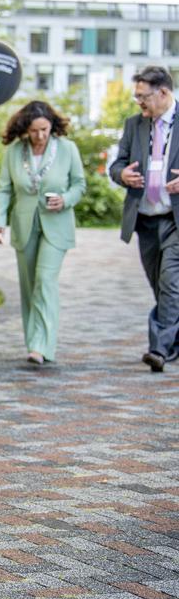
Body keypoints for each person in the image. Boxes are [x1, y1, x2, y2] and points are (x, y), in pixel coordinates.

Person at [0, 100, 85, 364]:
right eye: (34, 131)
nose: (40, 135)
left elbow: (79, 184)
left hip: (57, 224)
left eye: (45, 129)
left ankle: (43, 346)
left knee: (45, 280)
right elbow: (4, 189)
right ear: (25, 129)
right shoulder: (14, 151)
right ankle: (33, 341)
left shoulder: (67, 149)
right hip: (24, 225)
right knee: (29, 285)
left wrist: (66, 199)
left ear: (52, 127)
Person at [109, 66, 179, 372]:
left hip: (175, 219)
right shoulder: (134, 124)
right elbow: (117, 164)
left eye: (143, 96)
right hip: (146, 219)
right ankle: (171, 340)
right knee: (158, 284)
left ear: (163, 93)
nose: (139, 102)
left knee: (171, 282)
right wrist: (121, 174)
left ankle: (160, 349)